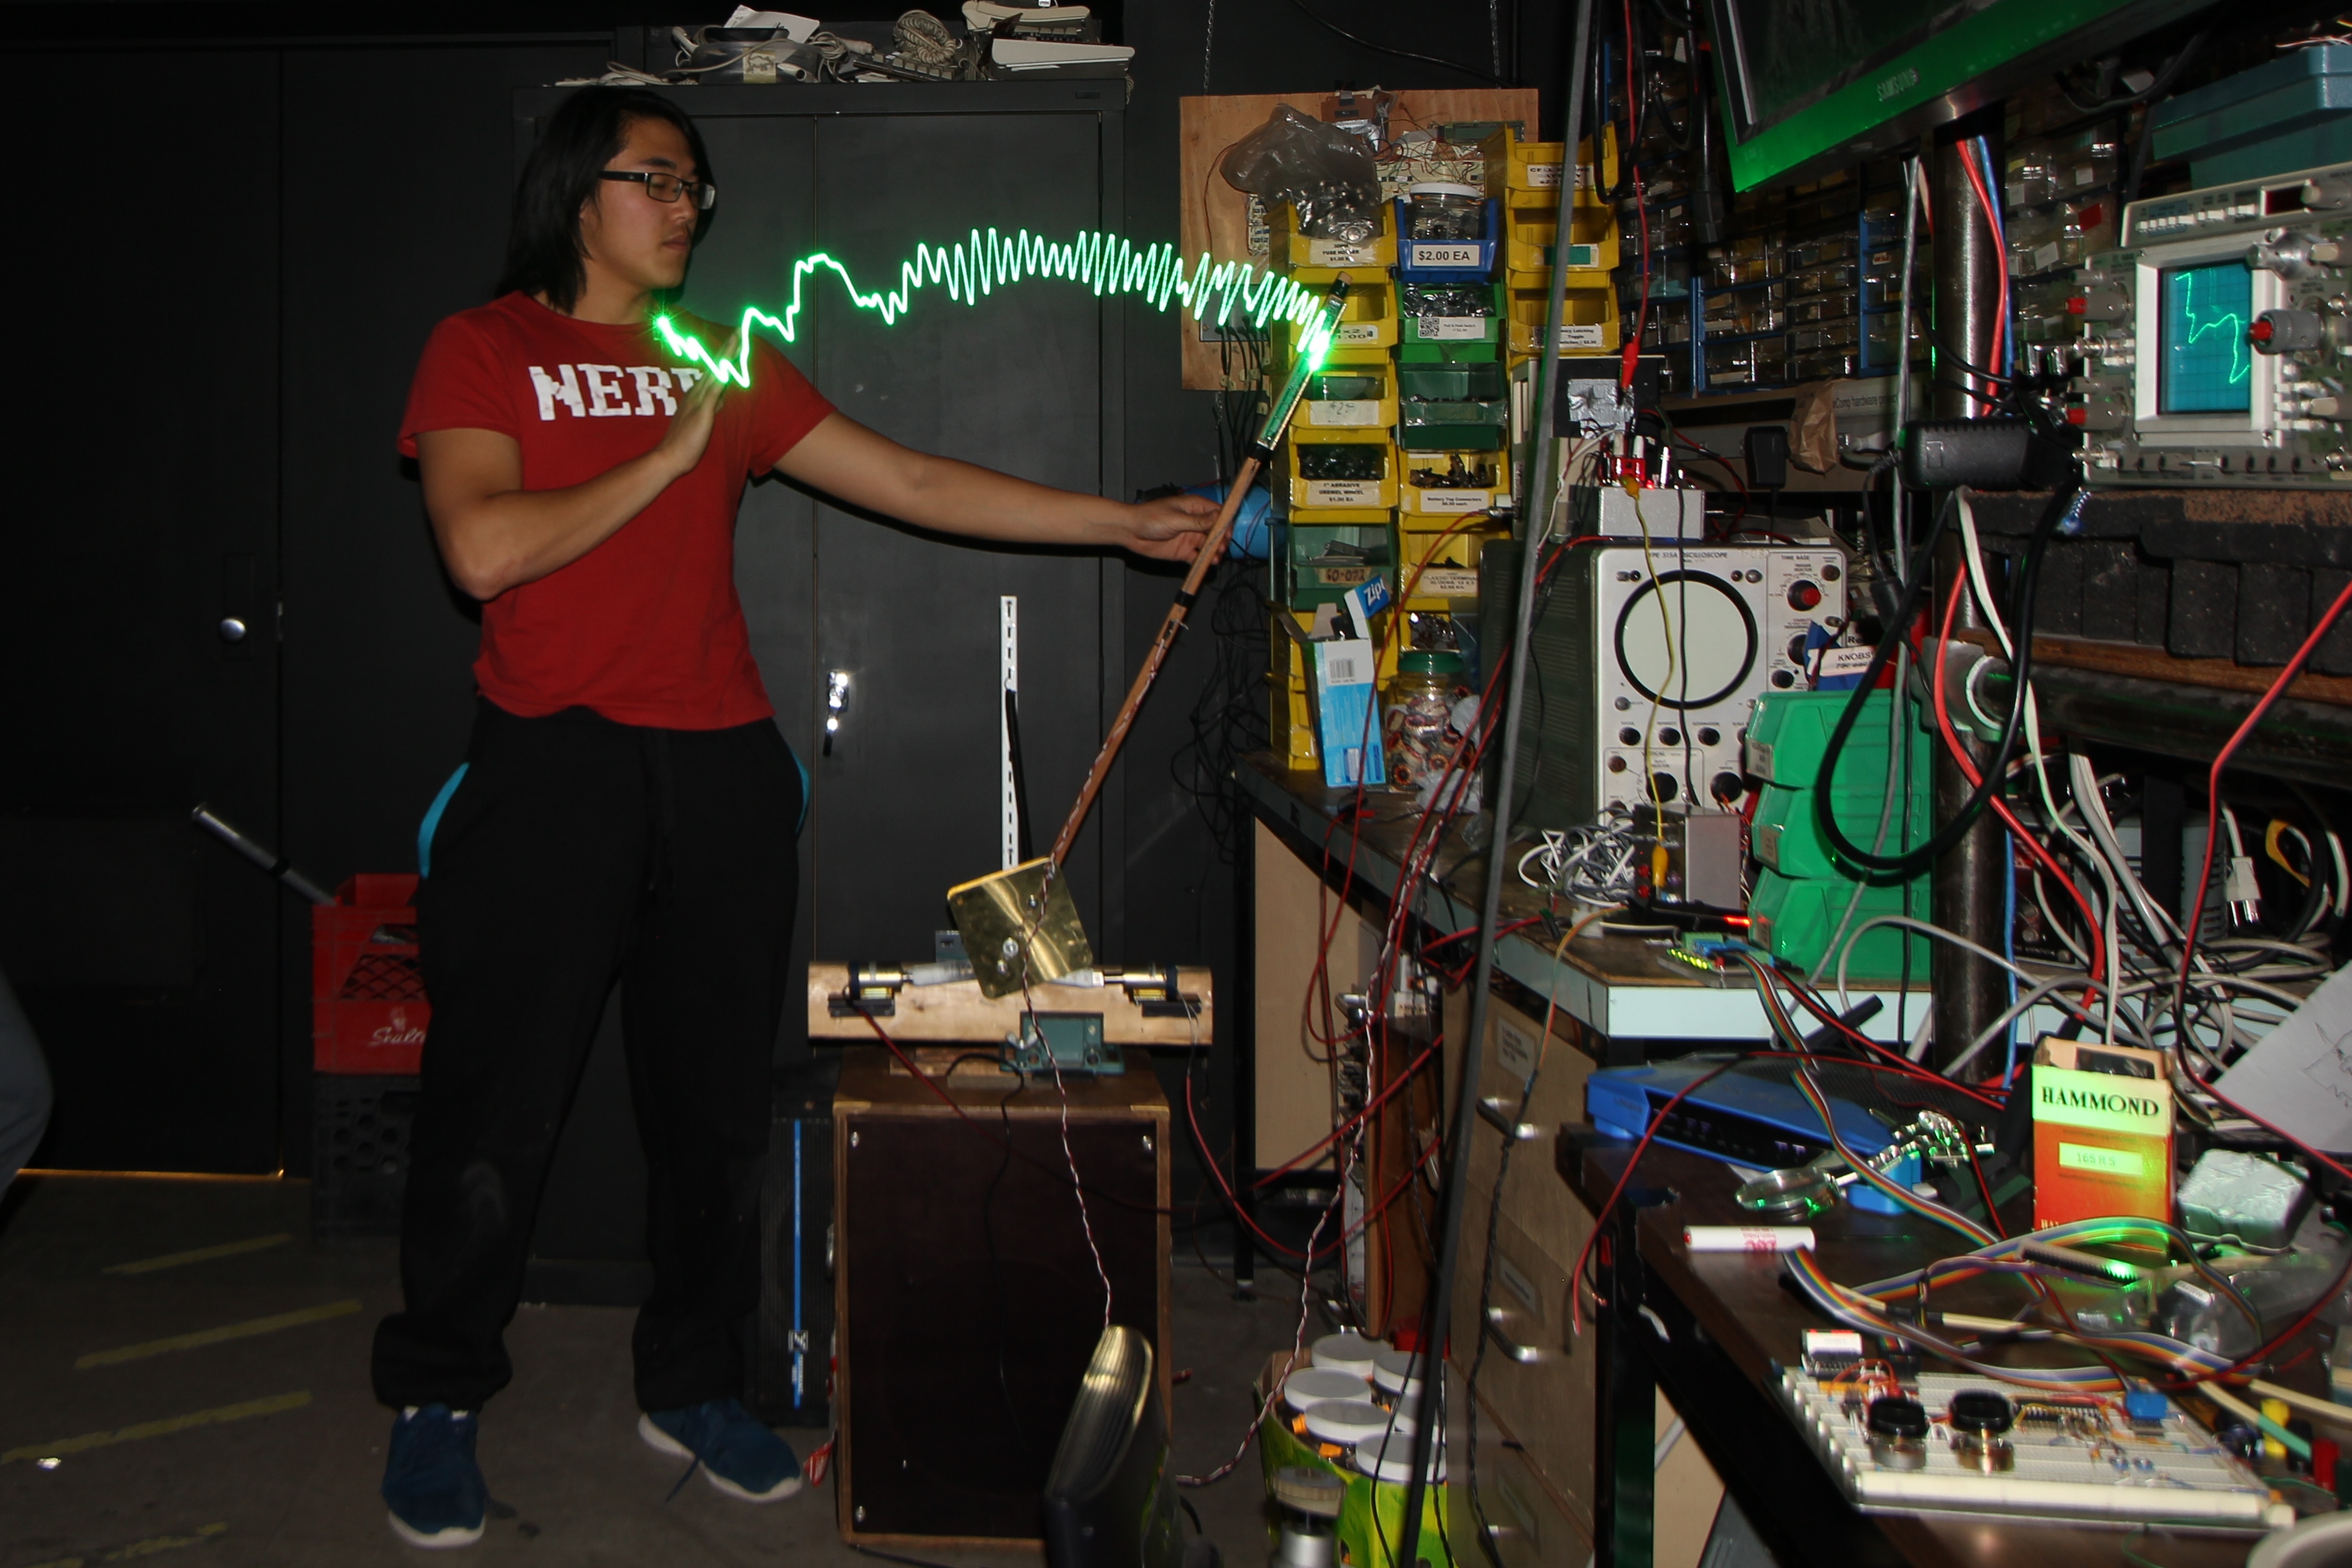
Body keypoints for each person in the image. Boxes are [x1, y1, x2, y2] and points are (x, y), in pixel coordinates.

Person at [375, 85, 1214, 1549]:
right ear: (577, 192)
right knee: (495, 1106)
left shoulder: (729, 358)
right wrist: (666, 453)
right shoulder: (486, 347)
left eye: (695, 186)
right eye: (655, 179)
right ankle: (438, 1396)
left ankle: (693, 1382)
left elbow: (906, 478)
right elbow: (483, 550)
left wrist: (1119, 523)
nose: (685, 207)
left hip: (719, 765)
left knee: (711, 1114)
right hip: (552, 767)